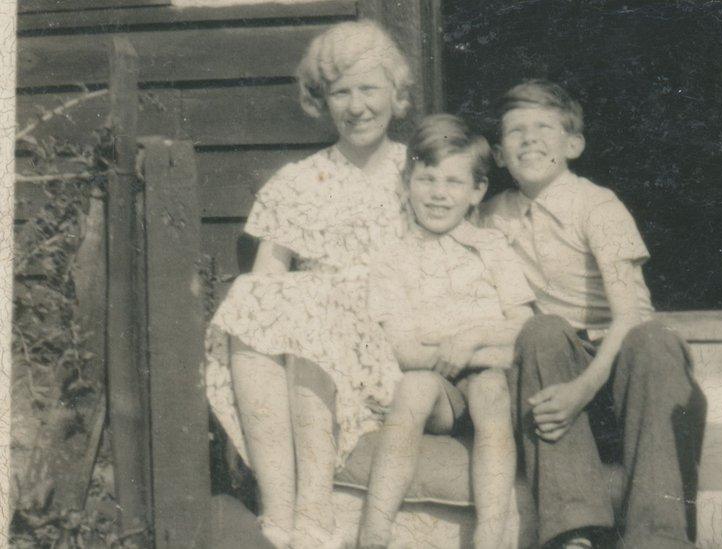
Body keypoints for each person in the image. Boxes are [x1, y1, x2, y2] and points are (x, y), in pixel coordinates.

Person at [204, 20, 412, 548]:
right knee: (257, 296)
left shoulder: (422, 175)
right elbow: (266, 285)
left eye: (369, 88)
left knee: (308, 299)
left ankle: (314, 513)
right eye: (341, 92)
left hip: (391, 340)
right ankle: (279, 515)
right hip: (312, 345)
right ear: (323, 101)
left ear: (396, 92)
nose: (357, 106)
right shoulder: (298, 180)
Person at [481, 80, 706, 549]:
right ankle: (573, 533)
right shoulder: (489, 215)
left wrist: (584, 388)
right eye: (515, 131)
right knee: (540, 329)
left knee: (654, 339)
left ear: (573, 144)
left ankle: (657, 538)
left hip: (627, 374)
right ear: (498, 155)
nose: (529, 138)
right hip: (554, 378)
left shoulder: (598, 206)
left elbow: (630, 314)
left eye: (544, 127)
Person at [358, 114, 534, 549]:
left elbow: (526, 328)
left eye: (454, 183)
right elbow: (403, 349)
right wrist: (466, 349)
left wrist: (471, 340)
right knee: (414, 387)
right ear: (407, 183)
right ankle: (374, 529)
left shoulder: (493, 248)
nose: (439, 194)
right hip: (440, 391)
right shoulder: (391, 259)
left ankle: (490, 535)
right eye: (427, 179)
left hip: (496, 383)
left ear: (477, 192)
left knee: (490, 388)